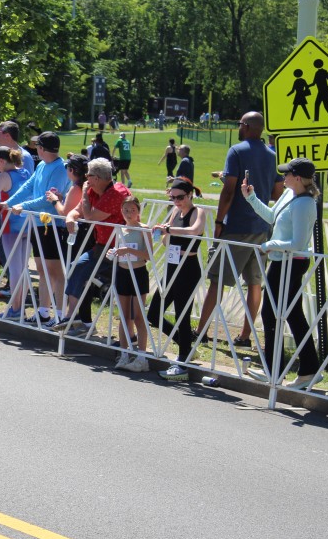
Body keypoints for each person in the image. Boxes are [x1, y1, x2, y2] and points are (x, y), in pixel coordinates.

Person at [196, 112, 283, 347]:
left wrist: (219, 221)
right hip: (262, 229)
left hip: (236, 226)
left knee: (217, 280)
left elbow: (228, 191)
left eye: (239, 124)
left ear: (246, 126)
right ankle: (245, 336)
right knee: (255, 283)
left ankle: (201, 331)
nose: (238, 128)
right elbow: (277, 193)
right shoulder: (273, 156)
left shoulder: (236, 151)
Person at [242, 158, 322, 389]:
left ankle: (276, 370)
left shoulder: (305, 203)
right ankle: (304, 369)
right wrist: (251, 198)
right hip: (282, 261)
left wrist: (270, 245)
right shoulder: (289, 194)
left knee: (272, 314)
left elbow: (297, 243)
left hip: (291, 263)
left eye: (286, 174)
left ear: (297, 178)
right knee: (290, 315)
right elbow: (271, 217)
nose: (283, 177)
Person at [0, 131, 70, 326]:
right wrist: (9, 202)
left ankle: (60, 315)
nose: (36, 149)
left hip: (52, 225)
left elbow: (48, 199)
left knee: (56, 271)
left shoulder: (59, 168)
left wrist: (23, 206)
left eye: (38, 146)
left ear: (42, 148)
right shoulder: (42, 165)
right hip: (38, 223)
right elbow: (28, 187)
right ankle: (43, 312)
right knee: (42, 268)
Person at [57, 158, 130, 329]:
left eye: (88, 175)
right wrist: (70, 218)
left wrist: (83, 192)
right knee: (77, 268)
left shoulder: (116, 193)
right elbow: (77, 211)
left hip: (122, 250)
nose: (85, 178)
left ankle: (130, 338)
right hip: (102, 246)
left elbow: (89, 216)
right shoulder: (94, 190)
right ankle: (72, 317)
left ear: (96, 178)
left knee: (126, 294)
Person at [148, 178, 206, 380]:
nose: (176, 201)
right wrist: (161, 230)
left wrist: (169, 230)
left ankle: (183, 362)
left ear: (190, 194)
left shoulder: (198, 211)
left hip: (188, 267)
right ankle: (185, 344)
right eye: (172, 198)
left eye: (180, 197)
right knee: (153, 313)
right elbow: (166, 241)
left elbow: (195, 230)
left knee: (183, 314)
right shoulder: (175, 211)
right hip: (172, 265)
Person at [0, 146, 31, 319]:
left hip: (11, 225)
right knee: (23, 267)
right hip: (27, 224)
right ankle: (20, 307)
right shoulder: (24, 172)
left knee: (15, 268)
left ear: (1, 161)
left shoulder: (3, 176)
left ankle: (16, 308)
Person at [109, 196, 151, 373]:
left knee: (138, 316)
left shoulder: (143, 229)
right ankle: (124, 353)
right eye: (125, 210)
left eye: (132, 210)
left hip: (138, 273)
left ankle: (142, 357)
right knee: (124, 316)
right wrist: (113, 253)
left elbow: (148, 255)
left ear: (138, 211)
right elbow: (117, 250)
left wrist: (129, 250)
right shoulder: (120, 229)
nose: (129, 213)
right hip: (123, 273)